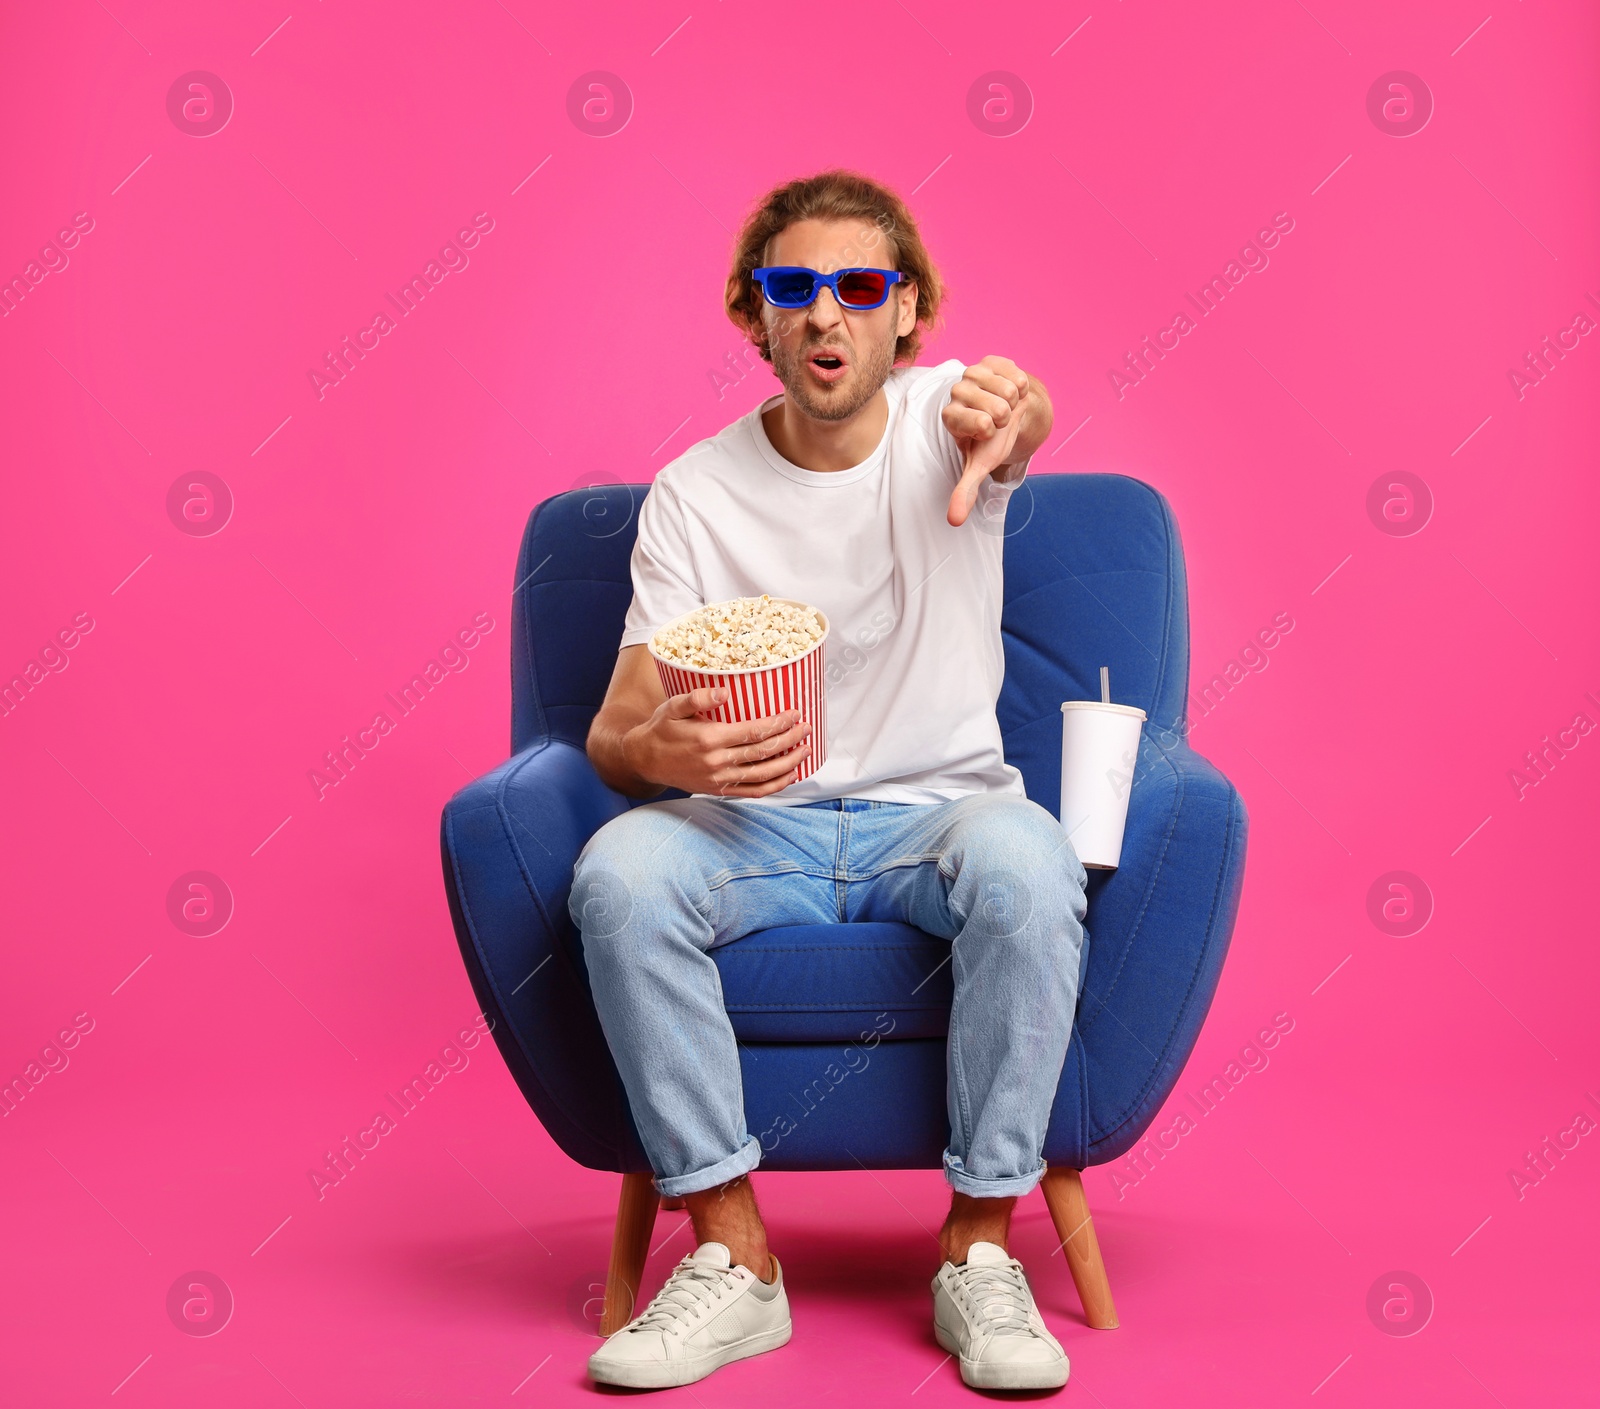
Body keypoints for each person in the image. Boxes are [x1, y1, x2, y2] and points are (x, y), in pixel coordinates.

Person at [570, 168, 1087, 1393]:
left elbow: (1021, 414)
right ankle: (734, 1260)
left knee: (1031, 858)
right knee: (618, 874)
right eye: (792, 288)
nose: (825, 314)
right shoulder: (693, 493)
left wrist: (1017, 414)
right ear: (755, 316)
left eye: (860, 286)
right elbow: (612, 727)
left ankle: (975, 1248)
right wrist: (659, 755)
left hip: (940, 810)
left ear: (907, 311)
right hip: (752, 827)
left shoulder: (946, 422)